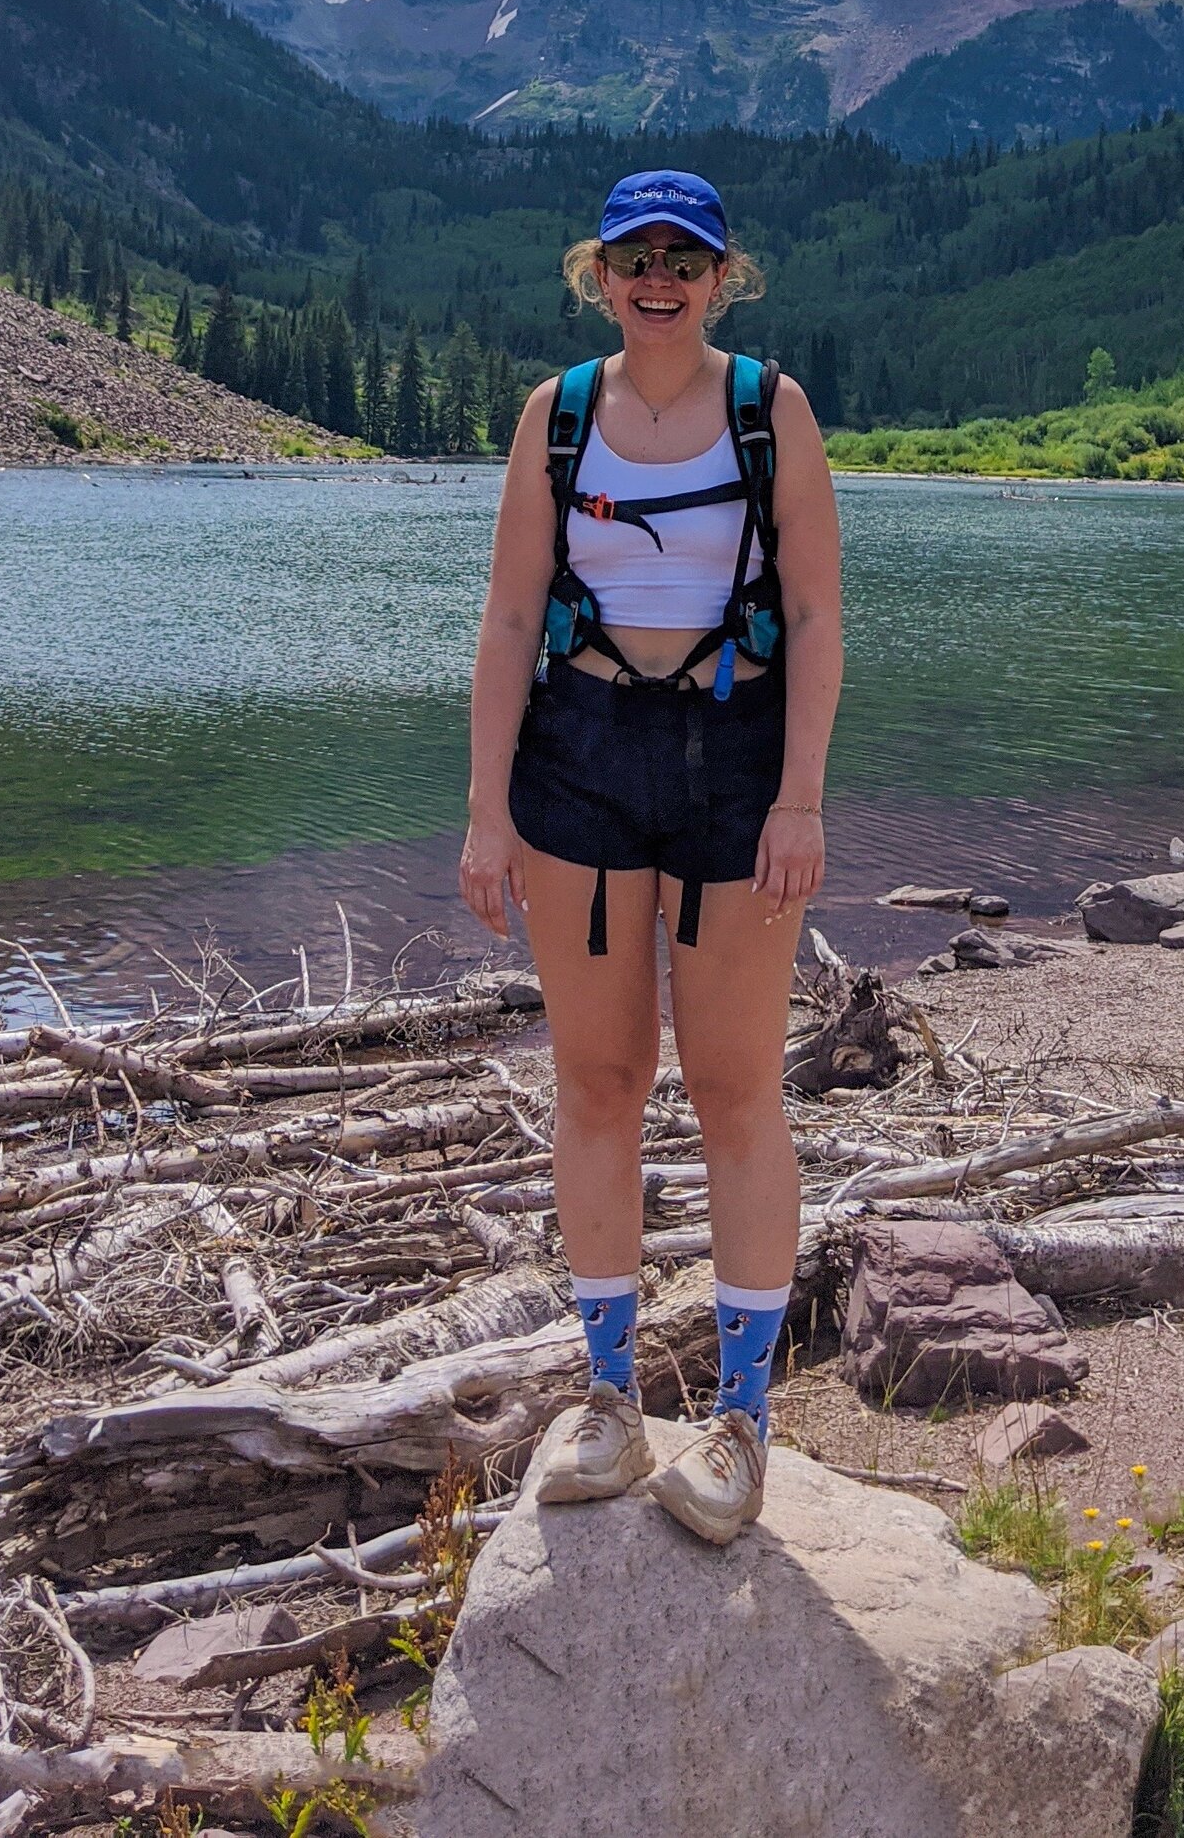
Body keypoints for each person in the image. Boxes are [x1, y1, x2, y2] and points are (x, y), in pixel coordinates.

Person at [459, 167, 842, 1546]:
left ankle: (741, 1422)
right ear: (598, 270)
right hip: (580, 761)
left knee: (737, 1087)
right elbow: (510, 622)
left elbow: (813, 612)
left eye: (687, 253)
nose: (659, 273)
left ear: (724, 273)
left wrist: (799, 797)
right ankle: (611, 1399)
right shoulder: (560, 417)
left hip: (737, 767)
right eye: (635, 252)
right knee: (600, 1079)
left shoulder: (769, 409)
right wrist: (486, 809)